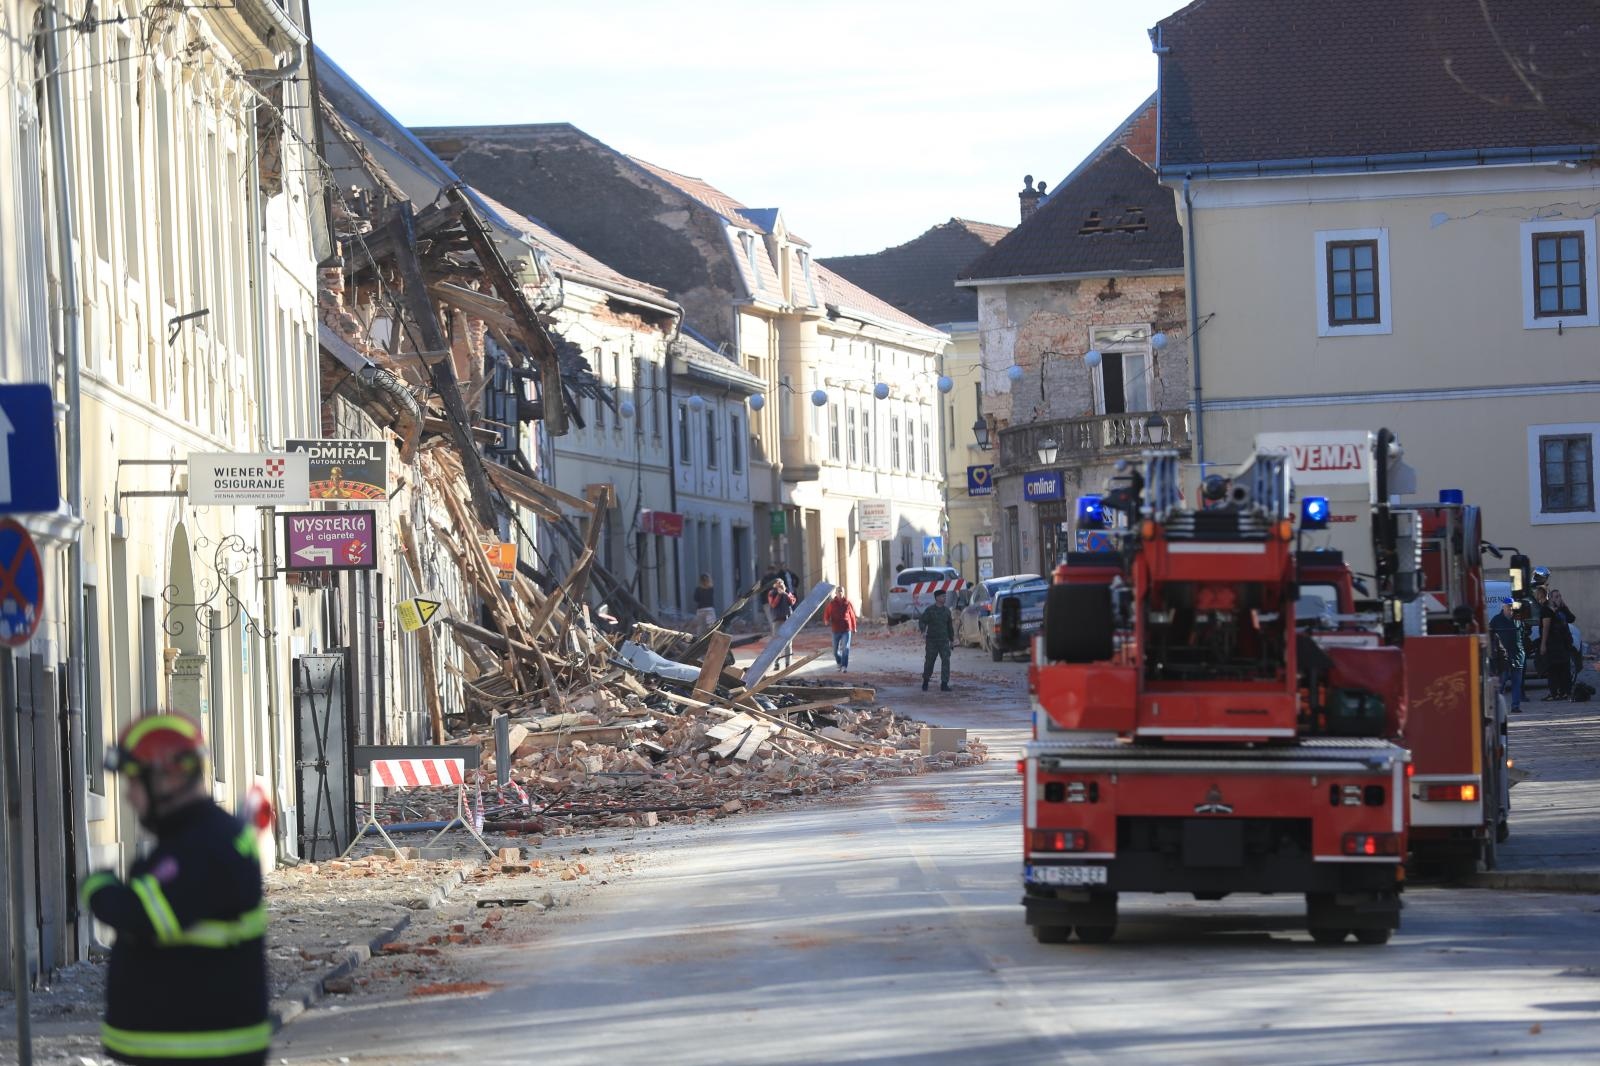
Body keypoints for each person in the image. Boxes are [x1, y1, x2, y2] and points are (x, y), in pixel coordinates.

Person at [84, 713, 270, 1065]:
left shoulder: (203, 847)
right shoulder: (202, 838)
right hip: (196, 1047)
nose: (129, 795)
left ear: (169, 777)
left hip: (199, 1050)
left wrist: (99, 888)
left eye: (134, 782)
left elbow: (143, 915)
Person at [1488, 597, 1526, 713]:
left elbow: (1522, 636)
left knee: (1517, 683)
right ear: (1503, 607)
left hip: (1517, 656)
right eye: (1508, 606)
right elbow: (1490, 636)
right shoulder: (1496, 620)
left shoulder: (1518, 619)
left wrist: (1521, 652)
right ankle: (1495, 706)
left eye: (1511, 606)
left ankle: (1515, 706)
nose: (1510, 608)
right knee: (1500, 683)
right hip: (1502, 658)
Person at [1540, 586, 1577, 700]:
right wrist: (1543, 644)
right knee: (1553, 669)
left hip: (1564, 644)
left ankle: (1565, 692)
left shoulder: (1562, 610)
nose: (1559, 598)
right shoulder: (1548, 610)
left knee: (1564, 669)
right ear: (1550, 598)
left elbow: (1572, 618)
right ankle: (1554, 693)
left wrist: (1564, 606)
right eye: (1556, 597)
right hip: (1553, 645)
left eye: (1560, 596)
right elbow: (1546, 628)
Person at [919, 588, 955, 692]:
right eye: (943, 596)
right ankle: (925, 681)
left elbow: (950, 627)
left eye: (945, 596)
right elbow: (922, 621)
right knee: (929, 662)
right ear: (937, 598)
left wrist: (951, 640)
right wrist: (923, 630)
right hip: (932, 641)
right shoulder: (930, 610)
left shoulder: (947, 611)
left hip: (943, 641)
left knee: (946, 661)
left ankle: (944, 684)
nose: (945, 598)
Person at [823, 586, 858, 672]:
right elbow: (827, 613)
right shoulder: (832, 604)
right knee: (835, 651)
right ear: (836, 593)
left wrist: (854, 627)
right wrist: (826, 620)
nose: (840, 593)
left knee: (846, 648)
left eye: (842, 591)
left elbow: (852, 616)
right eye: (838, 591)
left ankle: (844, 666)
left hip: (846, 629)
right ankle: (839, 662)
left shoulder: (848, 603)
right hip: (836, 630)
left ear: (844, 593)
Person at [766, 579, 797, 670]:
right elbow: (773, 604)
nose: (780, 585)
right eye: (778, 583)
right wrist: (779, 594)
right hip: (777, 620)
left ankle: (788, 663)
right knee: (777, 643)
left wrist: (785, 593)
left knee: (788, 642)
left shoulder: (786, 592)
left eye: (782, 583)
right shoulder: (772, 593)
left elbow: (792, 601)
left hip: (787, 620)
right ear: (774, 585)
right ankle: (776, 663)